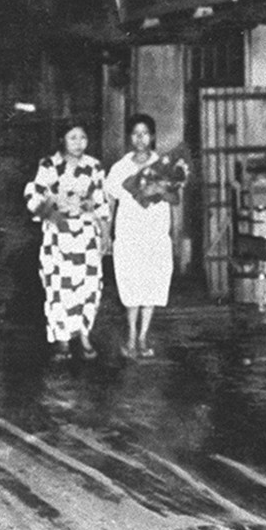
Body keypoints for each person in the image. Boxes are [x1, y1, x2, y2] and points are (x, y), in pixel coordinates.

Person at [23, 121, 107, 361]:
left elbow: (101, 202)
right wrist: (51, 211)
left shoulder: (94, 166)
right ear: (62, 140)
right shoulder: (49, 165)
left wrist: (105, 233)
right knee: (59, 286)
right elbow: (33, 197)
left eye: (82, 137)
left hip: (86, 233)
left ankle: (84, 334)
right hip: (59, 234)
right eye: (73, 138)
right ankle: (62, 340)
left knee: (89, 285)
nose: (78, 143)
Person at [104, 113, 180, 358]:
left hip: (155, 234)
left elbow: (174, 199)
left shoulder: (164, 166)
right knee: (131, 285)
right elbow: (110, 201)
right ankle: (129, 335)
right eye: (135, 133)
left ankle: (143, 337)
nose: (140, 138)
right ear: (129, 137)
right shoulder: (120, 168)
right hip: (129, 233)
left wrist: (161, 189)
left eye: (145, 133)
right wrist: (107, 234)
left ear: (153, 136)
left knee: (152, 285)